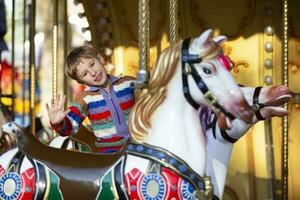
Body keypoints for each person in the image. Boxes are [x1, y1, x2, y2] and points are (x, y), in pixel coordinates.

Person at [46, 45, 135, 153]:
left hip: (136, 144)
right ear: (80, 81)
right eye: (85, 74)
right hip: (107, 152)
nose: (93, 73)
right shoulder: (85, 98)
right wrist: (59, 123)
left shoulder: (127, 83)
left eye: (92, 64)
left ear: (100, 59)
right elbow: (70, 127)